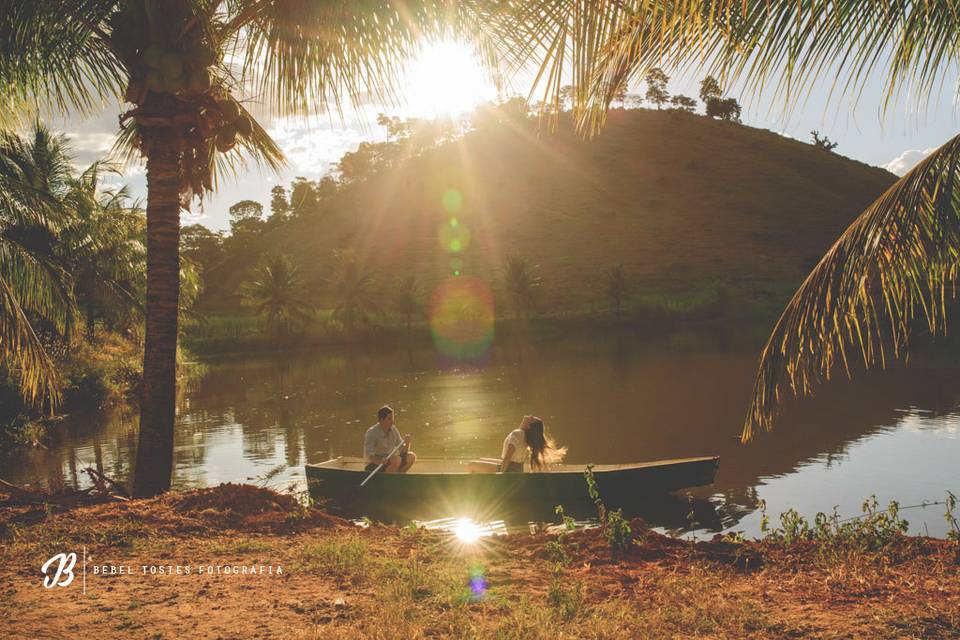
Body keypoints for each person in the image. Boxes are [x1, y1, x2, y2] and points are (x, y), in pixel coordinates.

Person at [467, 415, 566, 473]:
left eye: (531, 418)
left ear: (528, 426)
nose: (528, 416)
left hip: (508, 469)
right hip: (517, 468)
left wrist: (501, 474)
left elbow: (508, 457)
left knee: (470, 465)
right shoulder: (524, 434)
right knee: (480, 461)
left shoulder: (517, 434)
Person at [363, 405, 416, 473]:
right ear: (382, 420)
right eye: (389, 419)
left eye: (392, 418)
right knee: (396, 460)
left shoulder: (393, 430)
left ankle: (397, 477)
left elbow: (403, 451)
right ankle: (390, 478)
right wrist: (380, 461)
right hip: (374, 465)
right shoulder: (372, 432)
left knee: (411, 456)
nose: (392, 421)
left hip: (388, 462)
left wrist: (407, 443)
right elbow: (369, 456)